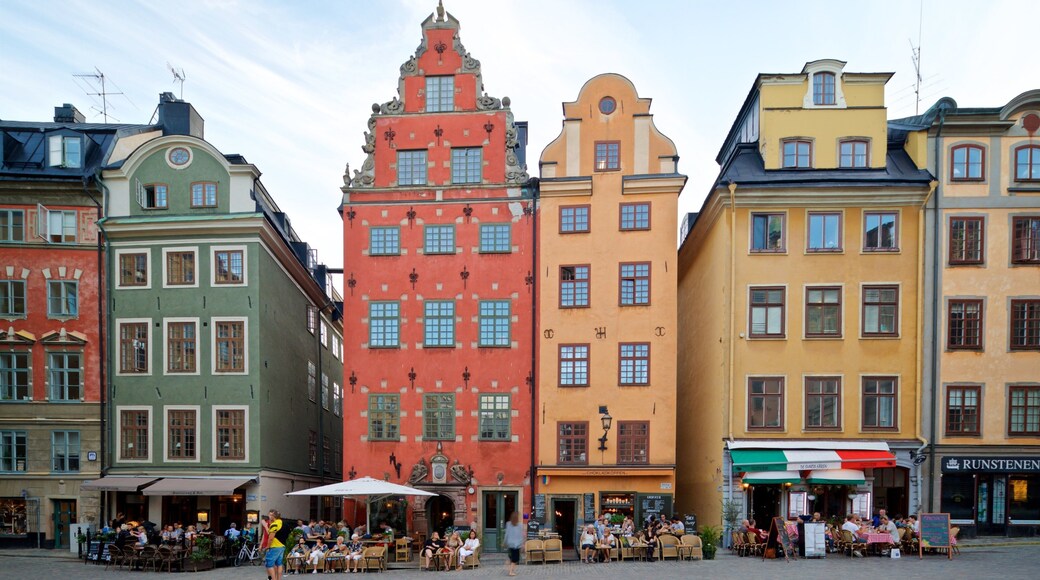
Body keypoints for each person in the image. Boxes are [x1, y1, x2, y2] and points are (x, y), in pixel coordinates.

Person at [266, 509, 286, 580]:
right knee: (279, 564)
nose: (269, 516)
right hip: (282, 545)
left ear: (273, 516)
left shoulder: (274, 524)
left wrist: (267, 547)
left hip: (274, 546)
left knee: (269, 564)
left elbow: (271, 538)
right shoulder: (282, 523)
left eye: (269, 515)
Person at [504, 511, 524, 576]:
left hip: (510, 544)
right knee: (515, 560)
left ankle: (509, 566)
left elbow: (506, 534)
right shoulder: (520, 525)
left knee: (511, 558)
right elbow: (521, 535)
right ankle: (510, 572)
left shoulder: (508, 524)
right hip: (516, 545)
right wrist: (522, 544)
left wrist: (505, 542)